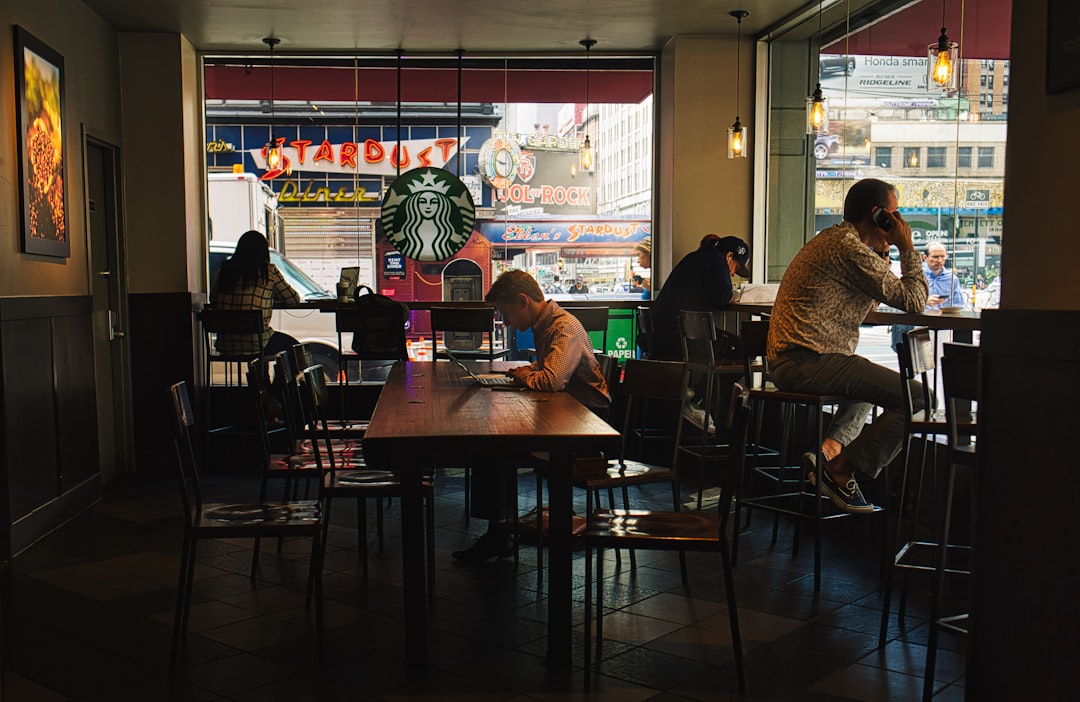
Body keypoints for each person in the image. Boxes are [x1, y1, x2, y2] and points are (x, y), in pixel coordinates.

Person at [767, 178, 928, 513]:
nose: (899, 223)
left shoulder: (837, 241)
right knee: (918, 398)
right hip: (808, 362)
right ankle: (841, 470)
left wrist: (882, 258)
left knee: (866, 379)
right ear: (879, 215)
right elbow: (914, 300)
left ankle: (828, 452)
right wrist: (906, 247)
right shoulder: (847, 247)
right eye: (895, 215)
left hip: (800, 361)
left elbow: (867, 307)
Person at [451, 270, 610, 561]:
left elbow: (552, 381)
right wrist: (530, 372)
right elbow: (548, 373)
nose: (507, 321)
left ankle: (500, 532)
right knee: (493, 444)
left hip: (588, 428)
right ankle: (501, 528)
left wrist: (526, 373)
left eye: (507, 312)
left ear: (523, 301)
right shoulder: (545, 324)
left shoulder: (563, 328)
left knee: (494, 446)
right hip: (568, 418)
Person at [649, 234, 751, 361]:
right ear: (729, 256)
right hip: (679, 338)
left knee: (720, 343)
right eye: (736, 267)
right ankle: (712, 382)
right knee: (745, 348)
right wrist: (737, 294)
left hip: (658, 335)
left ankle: (705, 381)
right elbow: (723, 298)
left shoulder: (695, 257)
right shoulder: (718, 262)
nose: (732, 273)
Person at [210, 230, 302, 358]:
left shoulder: (224, 270)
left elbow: (213, 299)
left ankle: (261, 377)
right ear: (263, 251)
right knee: (294, 347)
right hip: (256, 344)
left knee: (261, 342)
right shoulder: (268, 271)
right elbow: (293, 299)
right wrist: (270, 296)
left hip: (226, 344)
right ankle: (276, 378)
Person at [889, 241, 968, 349]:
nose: (939, 260)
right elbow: (903, 301)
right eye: (935, 257)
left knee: (938, 358)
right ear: (925, 257)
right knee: (918, 361)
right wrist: (924, 301)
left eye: (942, 257)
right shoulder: (916, 277)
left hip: (941, 327)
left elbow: (959, 304)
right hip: (918, 326)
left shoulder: (952, 278)